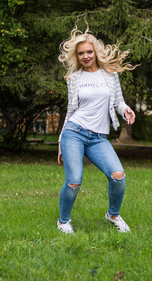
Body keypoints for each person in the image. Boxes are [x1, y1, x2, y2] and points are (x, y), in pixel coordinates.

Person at [56, 27, 136, 234]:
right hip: (74, 132)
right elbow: (70, 110)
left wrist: (125, 109)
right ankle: (63, 222)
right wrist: (60, 142)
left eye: (89, 52)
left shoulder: (110, 75)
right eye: (81, 53)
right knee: (74, 180)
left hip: (98, 138)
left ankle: (113, 214)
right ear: (77, 55)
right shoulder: (74, 79)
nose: (85, 56)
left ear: (95, 52)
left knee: (118, 175)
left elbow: (118, 101)